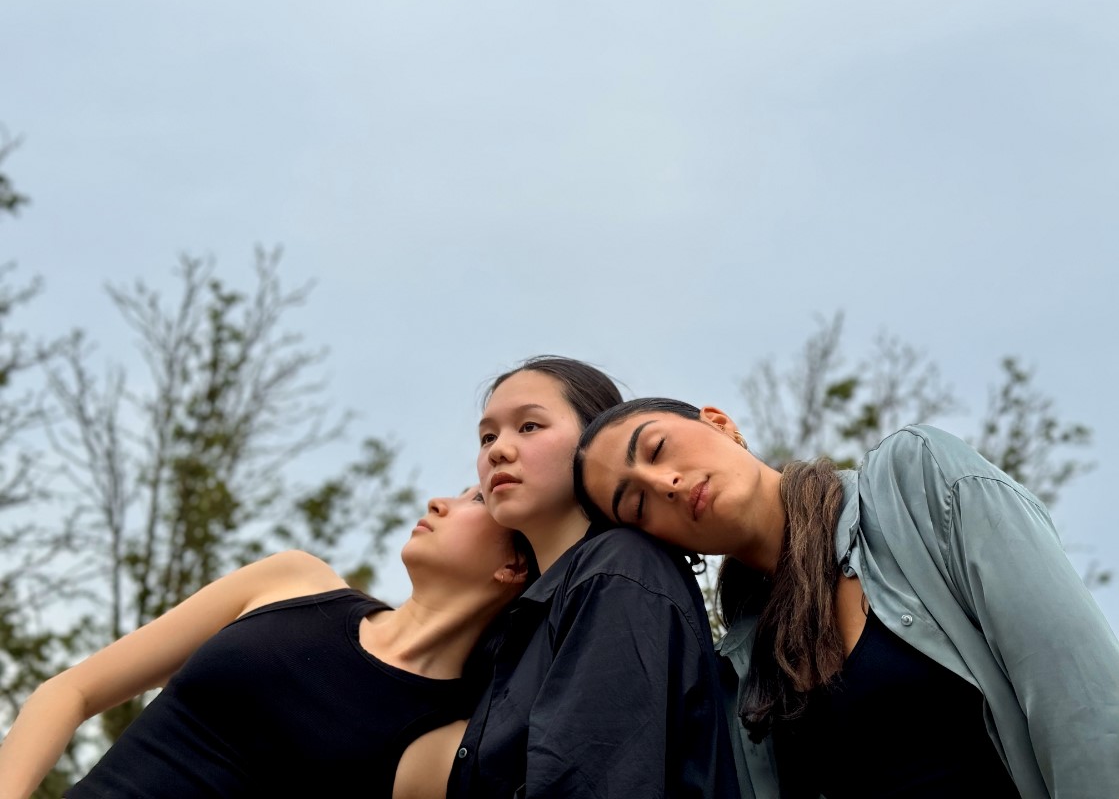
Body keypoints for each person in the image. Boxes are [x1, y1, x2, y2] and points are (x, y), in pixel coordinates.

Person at [573, 398, 1119, 799]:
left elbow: (1080, 701)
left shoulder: (915, 482)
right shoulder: (740, 673)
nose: (663, 482)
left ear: (720, 423)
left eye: (656, 448)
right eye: (637, 504)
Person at [0, 486, 534, 799]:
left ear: (514, 565)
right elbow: (69, 692)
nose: (440, 501)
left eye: (478, 499)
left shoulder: (445, 748)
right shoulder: (293, 581)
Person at [448, 356, 739, 798]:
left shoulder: (618, 568)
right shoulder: (525, 620)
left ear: (593, 442)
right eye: (488, 436)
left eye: (529, 427)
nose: (497, 450)